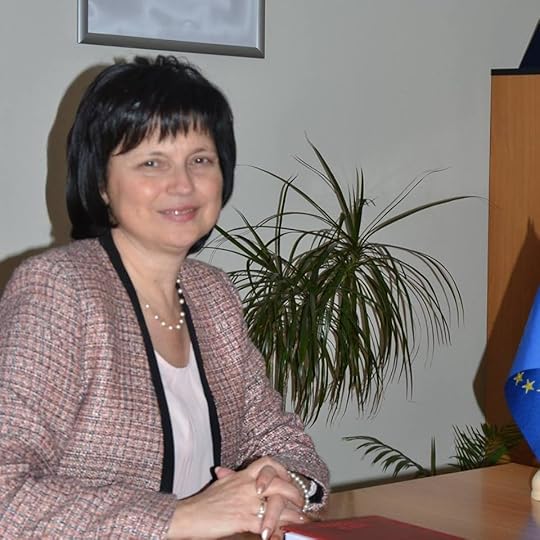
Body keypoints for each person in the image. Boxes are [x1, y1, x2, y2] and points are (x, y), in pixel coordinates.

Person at [0, 56, 329, 539]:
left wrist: (288, 484)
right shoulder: (59, 289)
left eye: (200, 160)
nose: (183, 184)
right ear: (101, 184)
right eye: (152, 162)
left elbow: (281, 438)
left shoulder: (212, 294)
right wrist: (181, 517)